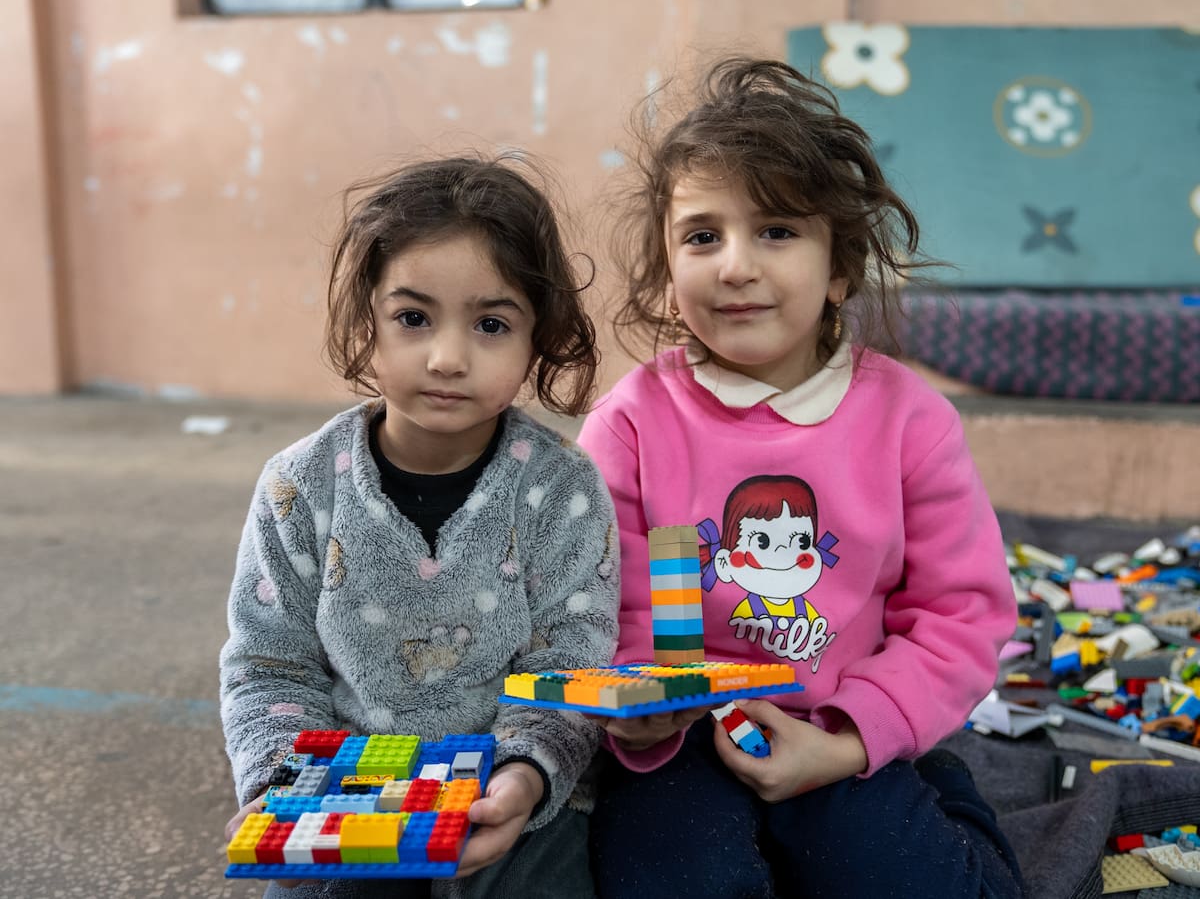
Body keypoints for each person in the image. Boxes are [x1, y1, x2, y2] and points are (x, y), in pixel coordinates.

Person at [576, 57, 1025, 898]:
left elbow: (961, 614)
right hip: (683, 745)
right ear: (669, 280)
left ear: (840, 271)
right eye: (702, 236)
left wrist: (856, 740)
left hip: (840, 729)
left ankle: (940, 789)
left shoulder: (909, 422)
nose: (735, 266)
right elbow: (599, 607)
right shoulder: (629, 425)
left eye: (777, 231)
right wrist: (641, 717)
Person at [220, 154, 620, 899]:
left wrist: (525, 778)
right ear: (364, 320)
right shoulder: (298, 487)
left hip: (509, 796)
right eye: (413, 317)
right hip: (343, 794)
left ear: (539, 338)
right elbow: (269, 665)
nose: (446, 357)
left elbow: (572, 660)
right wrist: (283, 784)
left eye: (491, 323)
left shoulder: (562, 487)